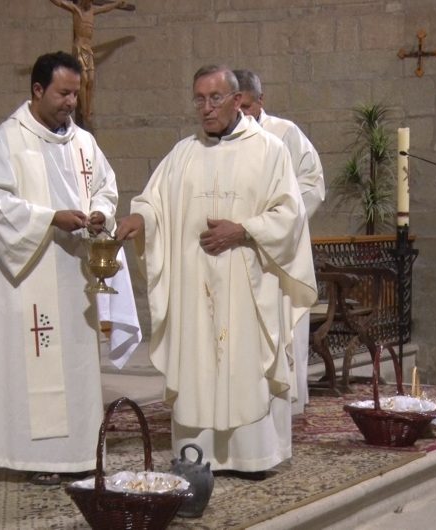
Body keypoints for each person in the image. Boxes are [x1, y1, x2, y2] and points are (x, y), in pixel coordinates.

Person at [116, 65, 317, 477]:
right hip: (196, 286)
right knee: (199, 365)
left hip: (247, 286)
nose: (206, 109)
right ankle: (197, 456)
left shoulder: (268, 150)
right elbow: (154, 202)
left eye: (215, 99)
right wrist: (141, 221)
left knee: (245, 363)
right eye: (199, 99)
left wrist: (243, 230)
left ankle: (253, 456)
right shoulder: (182, 154)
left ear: (237, 99)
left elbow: (290, 213)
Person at [0, 51, 119, 486]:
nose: (72, 102)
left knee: (75, 366)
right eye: (64, 93)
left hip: (75, 275)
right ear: (37, 90)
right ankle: (36, 456)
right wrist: (51, 218)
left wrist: (101, 212)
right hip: (29, 273)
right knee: (34, 359)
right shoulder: (4, 142)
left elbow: (106, 185)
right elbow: (0, 205)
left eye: (76, 93)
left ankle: (80, 453)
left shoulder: (83, 142)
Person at [234, 68, 325, 416]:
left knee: (282, 328)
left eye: (246, 107)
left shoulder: (285, 134)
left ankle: (287, 402)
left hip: (280, 250)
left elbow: (314, 184)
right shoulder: (218, 140)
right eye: (236, 107)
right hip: (239, 246)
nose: (241, 115)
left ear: (261, 101)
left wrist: (275, 218)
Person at [49, 0, 134, 127]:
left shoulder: (92, 11)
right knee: (84, 78)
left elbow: (105, 8)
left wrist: (117, 4)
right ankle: (84, 110)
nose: (89, 2)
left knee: (91, 80)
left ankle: (88, 109)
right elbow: (60, 3)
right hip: (79, 46)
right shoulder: (76, 9)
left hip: (88, 50)